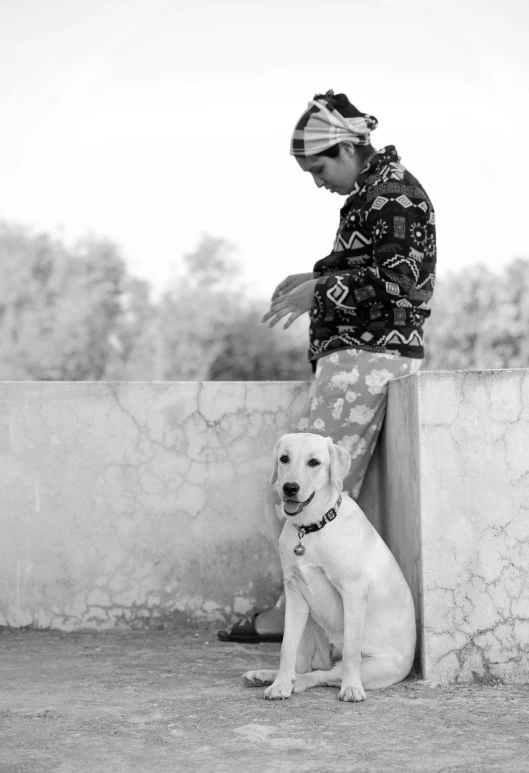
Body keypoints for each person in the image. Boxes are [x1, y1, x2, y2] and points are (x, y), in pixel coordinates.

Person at [217, 89, 436, 643]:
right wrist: (313, 277)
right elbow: (371, 268)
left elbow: (402, 283)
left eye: (318, 168)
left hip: (367, 361)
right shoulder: (373, 194)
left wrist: (321, 287)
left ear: (345, 149)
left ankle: (291, 621)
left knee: (306, 494)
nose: (317, 181)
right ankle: (310, 623)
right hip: (357, 362)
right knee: (316, 495)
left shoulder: (394, 196)